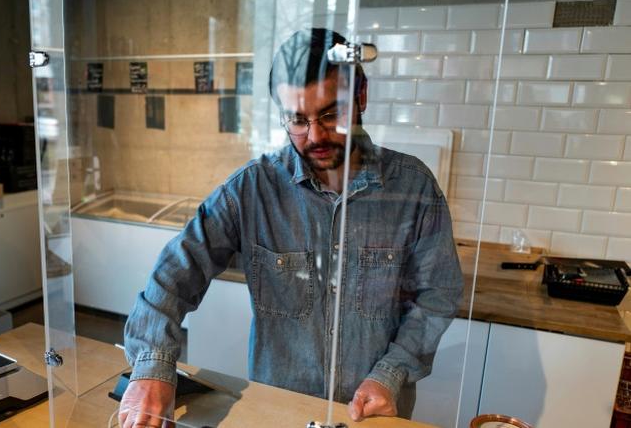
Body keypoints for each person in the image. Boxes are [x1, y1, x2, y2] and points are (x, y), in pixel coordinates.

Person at [118, 28, 463, 427]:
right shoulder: (251, 189)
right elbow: (173, 278)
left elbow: (437, 295)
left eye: (331, 114)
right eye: (297, 119)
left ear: (361, 97)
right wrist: (151, 368)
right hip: (277, 412)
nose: (314, 135)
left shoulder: (414, 186)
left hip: (371, 414)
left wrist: (391, 374)